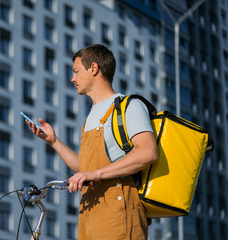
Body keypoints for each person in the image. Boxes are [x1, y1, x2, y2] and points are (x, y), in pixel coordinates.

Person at [25, 44, 158, 239]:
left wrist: (96, 173)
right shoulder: (91, 116)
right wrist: (54, 141)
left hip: (118, 212)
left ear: (93, 68)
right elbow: (84, 168)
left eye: (76, 72)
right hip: (89, 213)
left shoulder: (129, 106)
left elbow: (148, 152)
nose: (73, 78)